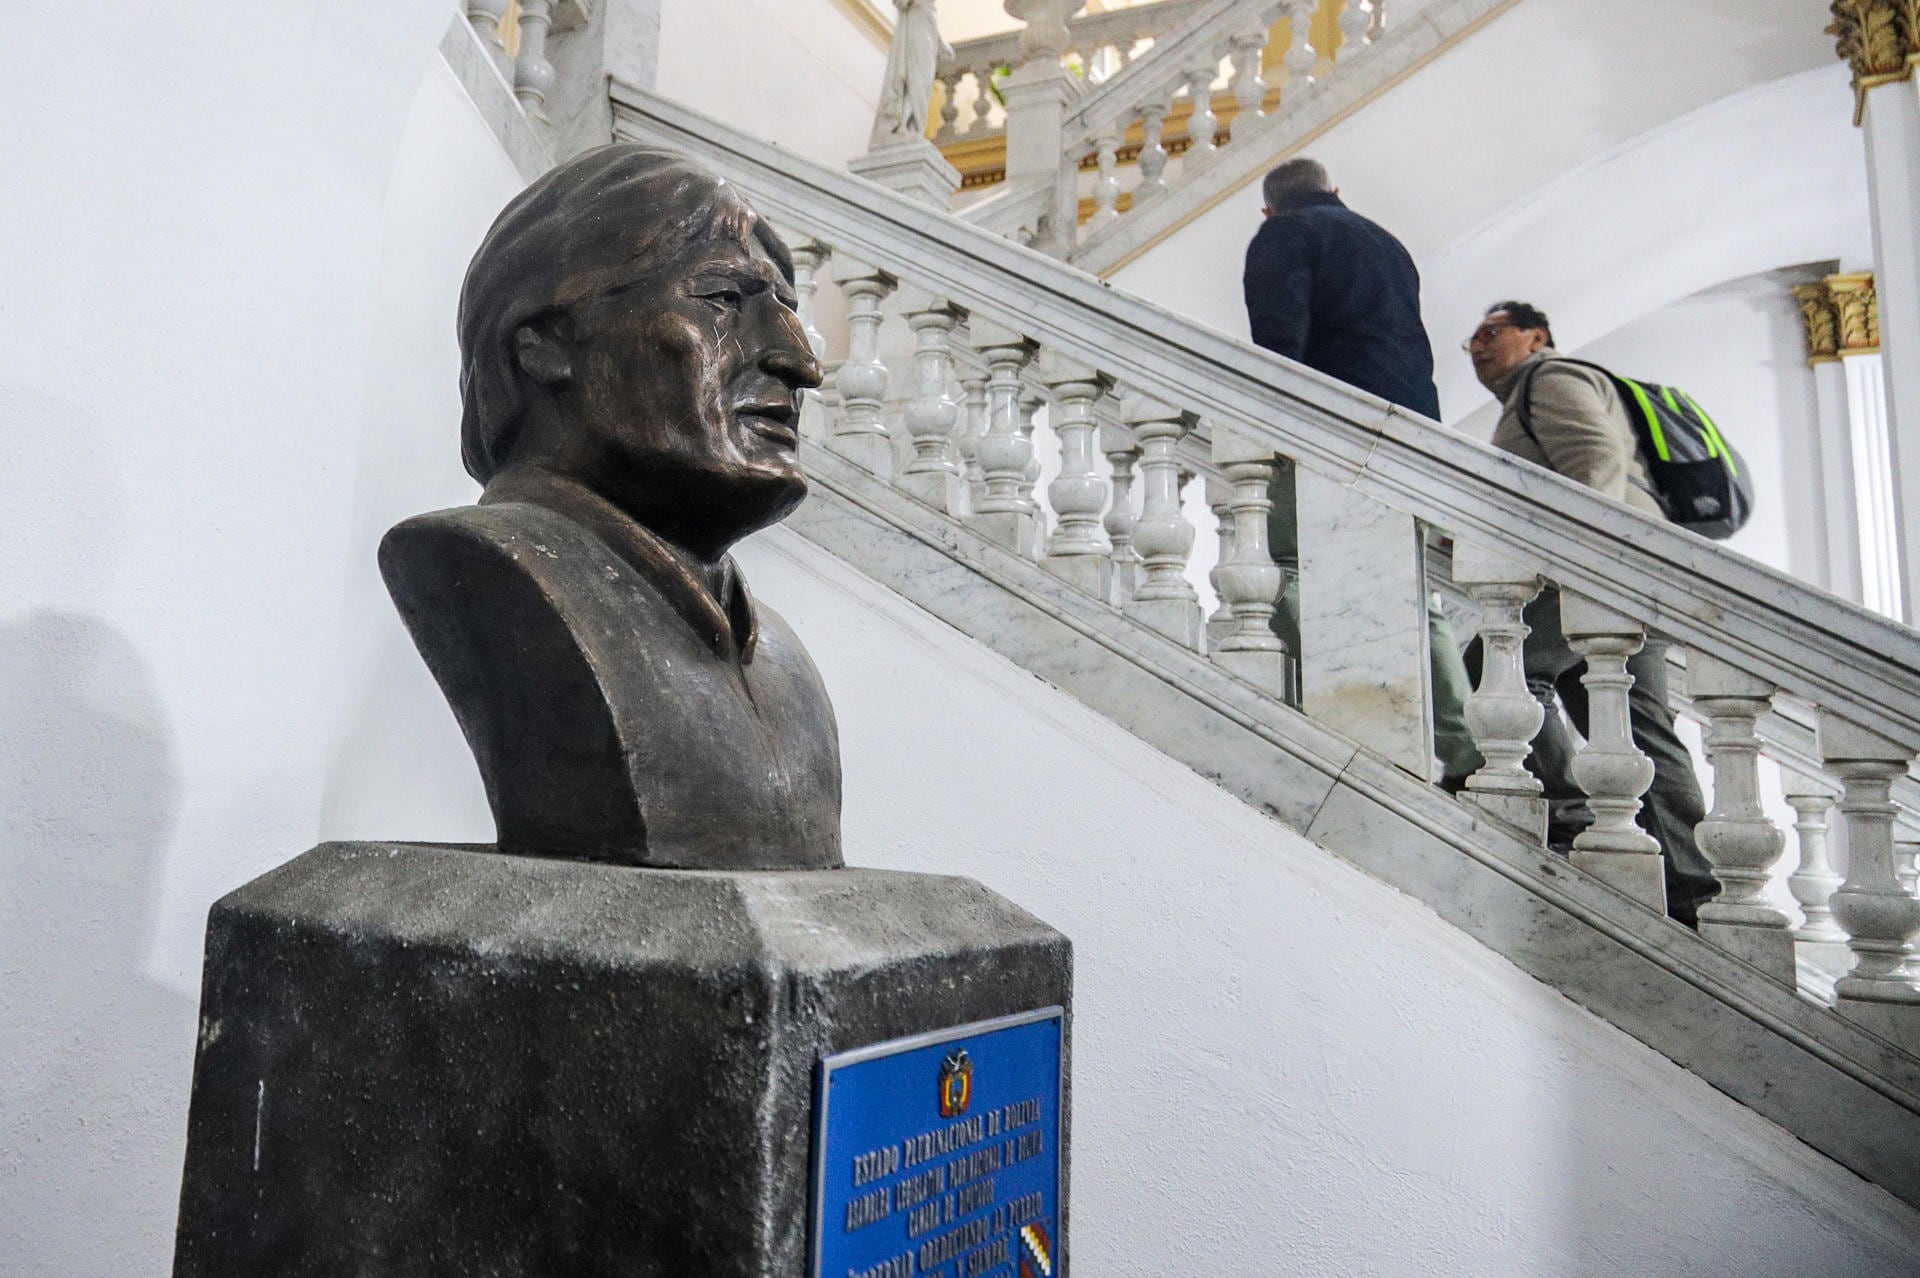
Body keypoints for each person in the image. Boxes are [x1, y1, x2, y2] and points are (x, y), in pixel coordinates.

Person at [380, 145, 843, 871]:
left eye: (785, 311)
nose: (800, 363)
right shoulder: (489, 572)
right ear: (543, 346)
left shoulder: (781, 656)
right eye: (724, 298)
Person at [1465, 300, 1718, 926]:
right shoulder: (1532, 392)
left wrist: (1583, 565)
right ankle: (1695, 892)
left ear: (1536, 336)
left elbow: (1596, 462)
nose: (1478, 345)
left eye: (1492, 332)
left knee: (1499, 665)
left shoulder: (1551, 379)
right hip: (1636, 567)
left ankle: (1569, 811)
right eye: (1471, 339)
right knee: (1636, 727)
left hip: (1601, 570)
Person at [1242, 157, 1480, 786]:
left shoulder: (1284, 235)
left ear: (1268, 208)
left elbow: (1278, 345)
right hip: (1411, 431)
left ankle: (1336, 705)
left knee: (1280, 567)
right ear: (1335, 190)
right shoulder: (1387, 243)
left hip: (1333, 430)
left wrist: (1273, 432)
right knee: (1414, 595)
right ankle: (1467, 753)